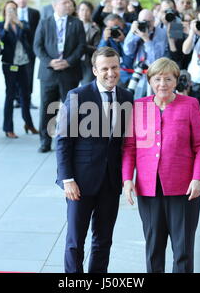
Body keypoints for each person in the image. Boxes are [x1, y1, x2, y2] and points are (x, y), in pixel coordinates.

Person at [122, 57, 200, 273]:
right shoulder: (139, 106)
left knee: (183, 249)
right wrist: (127, 180)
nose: (163, 84)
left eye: (168, 79)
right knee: (153, 248)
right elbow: (130, 148)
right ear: (150, 80)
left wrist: (198, 178)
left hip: (184, 188)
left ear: (176, 81)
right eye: (158, 79)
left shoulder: (190, 105)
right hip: (148, 188)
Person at [56, 47, 134, 273]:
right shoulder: (78, 95)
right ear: (94, 70)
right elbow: (63, 141)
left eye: (115, 67)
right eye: (105, 69)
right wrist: (67, 179)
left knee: (103, 240)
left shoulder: (127, 97)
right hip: (80, 181)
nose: (111, 73)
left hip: (111, 181)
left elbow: (124, 141)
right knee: (75, 241)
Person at [33, 0, 86, 153]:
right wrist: (50, 61)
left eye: (69, 3)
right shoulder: (45, 22)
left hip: (69, 72)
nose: (69, 6)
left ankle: (71, 141)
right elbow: (37, 46)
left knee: (71, 108)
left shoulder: (76, 23)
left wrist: (68, 61)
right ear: (55, 5)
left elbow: (81, 46)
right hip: (49, 73)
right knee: (47, 108)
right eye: (65, 3)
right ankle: (45, 141)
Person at [0, 1, 38, 139]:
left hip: (23, 63)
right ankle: (8, 128)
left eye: (14, 9)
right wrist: (7, 24)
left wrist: (18, 23)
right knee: (10, 95)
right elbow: (2, 38)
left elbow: (29, 32)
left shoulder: (23, 23)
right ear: (4, 11)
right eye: (9, 9)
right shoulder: (1, 25)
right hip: (9, 64)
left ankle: (29, 123)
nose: (11, 12)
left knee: (25, 95)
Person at [124, 9, 169, 98]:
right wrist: (132, 33)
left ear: (153, 21)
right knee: (138, 103)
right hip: (138, 74)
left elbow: (156, 59)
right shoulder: (136, 31)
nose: (146, 24)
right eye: (143, 21)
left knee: (152, 105)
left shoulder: (161, 33)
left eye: (148, 22)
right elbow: (127, 51)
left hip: (155, 75)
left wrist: (146, 39)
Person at [15, 0, 41, 110]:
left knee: (28, 75)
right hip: (15, 51)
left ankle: (27, 99)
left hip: (30, 50)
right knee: (15, 74)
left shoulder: (34, 13)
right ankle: (17, 99)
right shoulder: (12, 12)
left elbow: (38, 31)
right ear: (16, 0)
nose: (21, 0)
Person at [97, 14, 133, 88]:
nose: (114, 29)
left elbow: (133, 53)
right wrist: (104, 40)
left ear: (123, 23)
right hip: (117, 70)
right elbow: (100, 52)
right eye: (111, 28)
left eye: (116, 26)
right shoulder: (108, 32)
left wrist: (124, 41)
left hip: (132, 69)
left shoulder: (131, 29)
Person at [77, 1, 101, 85]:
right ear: (78, 11)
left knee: (86, 87)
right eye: (82, 10)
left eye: (87, 10)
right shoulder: (71, 25)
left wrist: (83, 47)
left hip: (87, 62)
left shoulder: (94, 28)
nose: (84, 13)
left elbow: (97, 48)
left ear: (91, 12)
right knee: (73, 91)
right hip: (72, 62)